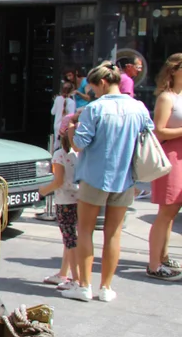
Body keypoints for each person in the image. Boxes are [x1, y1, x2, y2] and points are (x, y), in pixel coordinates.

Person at [61, 61, 154, 303]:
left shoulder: (94, 109)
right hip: (125, 176)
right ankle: (106, 287)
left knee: (85, 231)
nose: (92, 92)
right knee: (113, 234)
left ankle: (84, 285)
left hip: (94, 176)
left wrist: (71, 129)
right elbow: (148, 135)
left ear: (102, 83)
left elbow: (79, 144)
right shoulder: (139, 107)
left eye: (93, 87)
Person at [146, 53, 182, 281]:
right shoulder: (166, 98)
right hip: (170, 157)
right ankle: (154, 264)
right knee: (166, 211)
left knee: (172, 211)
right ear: (174, 70)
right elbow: (159, 130)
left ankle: (163, 256)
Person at [39, 115, 80, 289]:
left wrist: (42, 191)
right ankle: (64, 273)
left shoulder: (59, 154)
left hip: (64, 202)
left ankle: (76, 279)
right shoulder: (79, 153)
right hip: (80, 199)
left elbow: (58, 181)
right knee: (71, 239)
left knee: (70, 241)